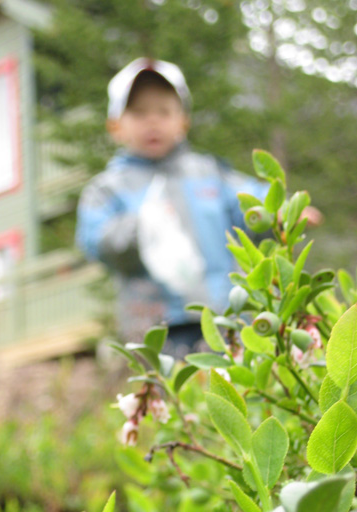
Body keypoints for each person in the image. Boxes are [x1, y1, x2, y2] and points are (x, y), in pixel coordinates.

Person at [75, 57, 267, 351]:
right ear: (115, 126)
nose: (153, 122)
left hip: (225, 317)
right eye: (139, 113)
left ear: (183, 121)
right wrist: (142, 228)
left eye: (164, 112)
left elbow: (252, 201)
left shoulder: (210, 174)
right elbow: (95, 240)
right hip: (154, 328)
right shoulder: (107, 189)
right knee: (167, 382)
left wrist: (281, 211)